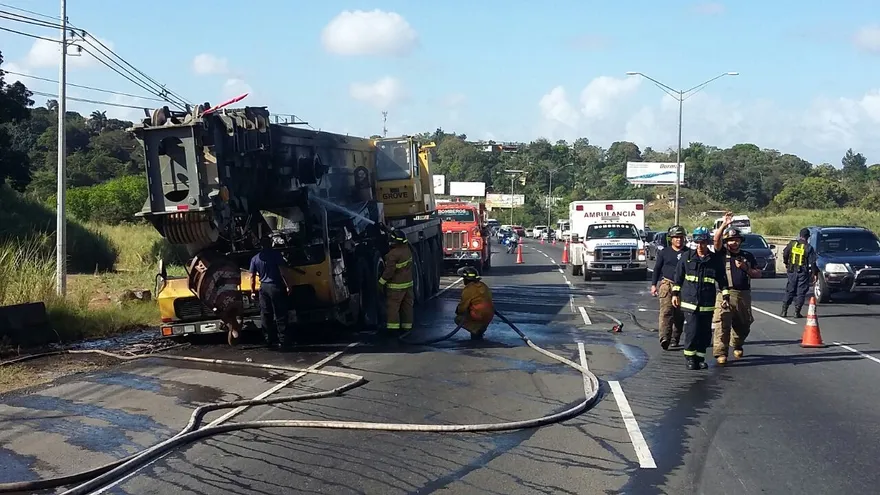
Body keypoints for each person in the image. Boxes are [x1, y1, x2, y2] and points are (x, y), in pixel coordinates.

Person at [672, 227, 730, 370]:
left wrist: (725, 296)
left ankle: (700, 357)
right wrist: (675, 294)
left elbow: (722, 280)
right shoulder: (687, 257)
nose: (700, 246)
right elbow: (678, 277)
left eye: (703, 243)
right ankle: (690, 358)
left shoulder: (714, 260)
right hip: (690, 302)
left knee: (704, 333)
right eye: (697, 243)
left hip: (707, 303)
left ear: (707, 243)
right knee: (692, 331)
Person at [711, 214, 762, 364]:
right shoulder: (721, 254)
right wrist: (724, 224)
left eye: (737, 240)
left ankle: (737, 343)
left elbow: (758, 274)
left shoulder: (747, 256)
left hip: (743, 295)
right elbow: (716, 240)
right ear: (726, 242)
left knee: (744, 324)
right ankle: (721, 352)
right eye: (731, 240)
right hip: (724, 294)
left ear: (740, 241)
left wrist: (746, 268)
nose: (734, 242)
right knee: (722, 323)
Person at [650, 225, 691, 350]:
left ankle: (675, 338)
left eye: (681, 237)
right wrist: (653, 285)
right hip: (667, 285)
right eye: (676, 237)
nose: (679, 240)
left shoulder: (689, 253)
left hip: (683, 286)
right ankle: (664, 338)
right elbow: (657, 269)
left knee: (679, 314)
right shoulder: (664, 252)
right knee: (666, 312)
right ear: (671, 239)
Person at [249, 236, 293, 349]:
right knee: (280, 314)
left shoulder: (255, 259)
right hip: (276, 286)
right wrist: (288, 285)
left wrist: (253, 291)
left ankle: (268, 340)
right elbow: (283, 272)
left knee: (266, 314)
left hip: (263, 288)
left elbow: (252, 277)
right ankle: (283, 340)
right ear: (271, 243)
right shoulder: (276, 255)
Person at [379, 229, 414, 333]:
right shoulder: (407, 250)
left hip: (396, 286)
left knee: (393, 307)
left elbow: (389, 271)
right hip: (408, 285)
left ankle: (393, 329)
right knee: (407, 307)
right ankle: (407, 327)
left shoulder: (393, 254)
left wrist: (381, 282)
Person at [781, 228, 818, 318]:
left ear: (800, 235)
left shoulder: (792, 244)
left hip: (791, 271)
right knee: (801, 292)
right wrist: (815, 273)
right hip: (802, 273)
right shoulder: (808, 247)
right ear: (808, 237)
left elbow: (785, 253)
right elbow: (813, 262)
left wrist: (786, 263)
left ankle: (784, 311)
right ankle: (797, 312)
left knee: (790, 290)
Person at [455, 266, 495, 340]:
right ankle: (479, 331)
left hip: (478, 314)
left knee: (458, 319)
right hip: (490, 314)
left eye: (463, 278)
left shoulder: (468, 289)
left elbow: (463, 307)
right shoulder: (483, 285)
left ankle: (475, 330)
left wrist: (458, 311)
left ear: (466, 279)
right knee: (479, 322)